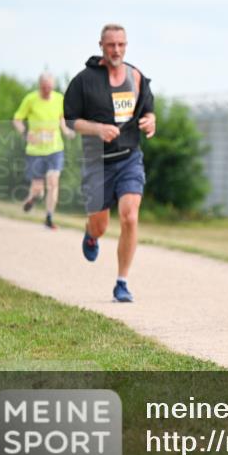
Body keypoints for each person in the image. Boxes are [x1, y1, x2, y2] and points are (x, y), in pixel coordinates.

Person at [64, 24, 156, 303]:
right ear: (101, 46)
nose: (116, 50)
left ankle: (122, 282)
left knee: (130, 216)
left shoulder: (136, 76)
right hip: (96, 162)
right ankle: (91, 235)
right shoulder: (85, 80)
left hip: (129, 158)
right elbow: (69, 120)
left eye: (121, 45)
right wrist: (98, 130)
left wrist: (151, 121)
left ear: (126, 45)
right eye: (111, 45)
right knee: (100, 225)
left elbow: (149, 110)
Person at [13, 72, 75, 229]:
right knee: (38, 189)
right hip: (35, 150)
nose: (47, 90)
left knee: (53, 182)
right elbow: (17, 120)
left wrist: (67, 131)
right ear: (39, 86)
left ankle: (49, 217)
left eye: (50, 87)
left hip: (55, 148)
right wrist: (26, 134)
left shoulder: (59, 99)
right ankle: (33, 198)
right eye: (44, 87)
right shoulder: (30, 99)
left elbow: (61, 120)